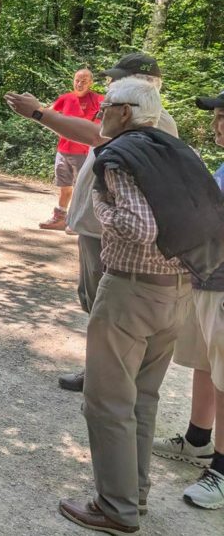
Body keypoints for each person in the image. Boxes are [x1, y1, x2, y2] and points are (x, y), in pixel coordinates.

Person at [58, 78, 213, 535]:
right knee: (143, 398)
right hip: (177, 291)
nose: (99, 113)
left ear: (125, 112)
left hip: (130, 293)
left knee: (107, 402)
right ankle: (135, 496)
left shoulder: (119, 157)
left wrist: (101, 208)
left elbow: (140, 227)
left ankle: (116, 509)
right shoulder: (179, 152)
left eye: (105, 106)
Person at [5, 53, 178, 393]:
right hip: (98, 231)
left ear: (140, 83)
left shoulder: (153, 119)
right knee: (94, 300)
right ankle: (103, 370)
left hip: (110, 236)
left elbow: (94, 136)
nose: (109, 84)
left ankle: (107, 377)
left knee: (105, 305)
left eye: (116, 78)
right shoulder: (137, 116)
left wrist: (39, 113)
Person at [150, 88, 224, 510]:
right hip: (207, 279)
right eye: (216, 116)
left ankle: (222, 471)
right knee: (205, 361)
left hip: (221, 281)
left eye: (223, 117)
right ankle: (198, 439)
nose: (216, 124)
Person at [38, 69, 103, 230]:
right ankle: (60, 218)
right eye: (77, 80)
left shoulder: (98, 100)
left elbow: (103, 124)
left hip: (84, 152)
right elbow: (47, 113)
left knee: (83, 188)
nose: (79, 84)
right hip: (63, 150)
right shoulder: (65, 98)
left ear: (91, 83)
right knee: (64, 186)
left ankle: (78, 222)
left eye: (84, 81)